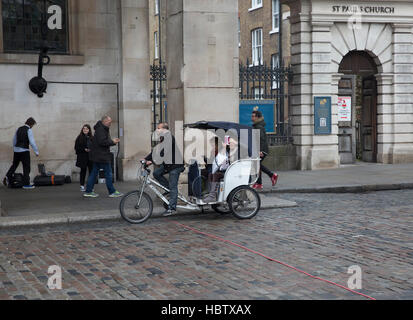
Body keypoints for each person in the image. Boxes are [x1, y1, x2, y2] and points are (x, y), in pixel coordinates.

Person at [143, 122, 185, 216]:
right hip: (168, 165)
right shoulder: (162, 138)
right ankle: (168, 189)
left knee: (173, 186)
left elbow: (163, 153)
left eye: (159, 128)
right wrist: (146, 158)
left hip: (176, 166)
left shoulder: (169, 138)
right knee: (156, 173)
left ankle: (172, 208)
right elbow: (156, 151)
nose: (157, 130)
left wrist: (152, 161)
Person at [83, 116, 123, 198]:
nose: (110, 123)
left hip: (98, 155)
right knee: (108, 173)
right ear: (104, 121)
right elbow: (102, 142)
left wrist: (111, 141)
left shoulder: (101, 128)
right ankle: (112, 191)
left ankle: (88, 191)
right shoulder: (101, 129)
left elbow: (102, 141)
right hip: (102, 156)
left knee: (94, 173)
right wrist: (112, 142)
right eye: (109, 122)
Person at [3, 117, 39, 189]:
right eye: (33, 125)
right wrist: (36, 151)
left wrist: (15, 148)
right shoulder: (29, 130)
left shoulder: (18, 129)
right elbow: (32, 142)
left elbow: (14, 140)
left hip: (16, 150)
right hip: (24, 151)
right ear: (31, 124)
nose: (32, 127)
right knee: (26, 167)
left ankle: (8, 176)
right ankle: (26, 184)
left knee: (14, 165)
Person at [251, 110, 278, 190]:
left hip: (262, 150)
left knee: (256, 164)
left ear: (257, 117)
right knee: (257, 164)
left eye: (253, 116)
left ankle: (262, 181)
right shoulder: (257, 125)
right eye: (252, 116)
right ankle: (269, 177)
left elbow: (261, 139)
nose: (251, 118)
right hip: (261, 150)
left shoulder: (258, 127)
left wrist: (260, 151)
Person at [75, 124, 94, 192]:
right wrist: (84, 149)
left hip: (90, 157)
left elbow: (95, 147)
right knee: (83, 172)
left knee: (91, 172)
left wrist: (91, 150)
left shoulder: (92, 138)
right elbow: (76, 148)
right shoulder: (79, 137)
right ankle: (82, 185)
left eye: (86, 129)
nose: (85, 130)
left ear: (89, 130)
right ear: (82, 130)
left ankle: (90, 186)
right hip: (83, 157)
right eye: (84, 129)